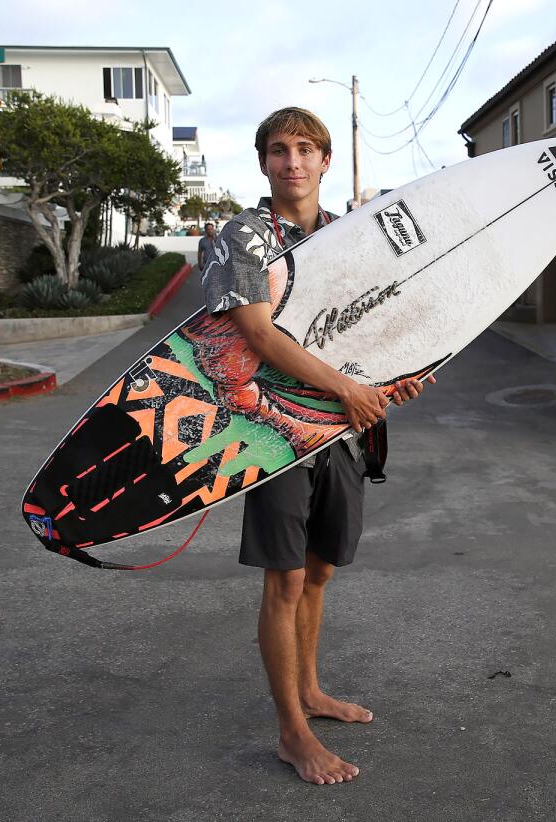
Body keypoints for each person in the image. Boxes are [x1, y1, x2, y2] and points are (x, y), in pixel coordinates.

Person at [201, 107, 431, 786]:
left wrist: (394, 381)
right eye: (278, 150)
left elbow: (369, 328)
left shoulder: (345, 235)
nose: (292, 162)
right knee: (286, 577)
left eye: (305, 149)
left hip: (336, 427)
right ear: (264, 163)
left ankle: (309, 690)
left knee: (322, 567)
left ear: (326, 160)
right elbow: (259, 335)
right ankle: (291, 733)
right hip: (270, 424)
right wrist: (350, 391)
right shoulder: (242, 237)